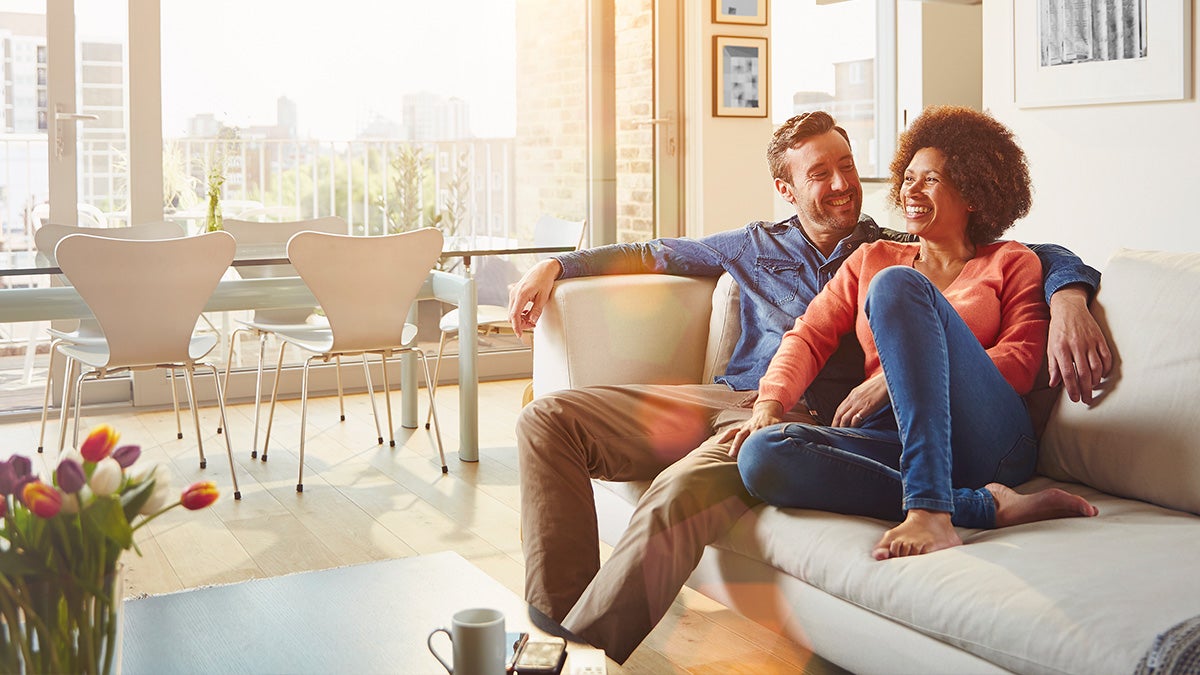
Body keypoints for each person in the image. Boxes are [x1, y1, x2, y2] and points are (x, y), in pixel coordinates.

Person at [508, 110, 1111, 663]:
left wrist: (1072, 293)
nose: (844, 183)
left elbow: (1040, 259)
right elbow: (669, 259)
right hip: (744, 398)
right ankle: (550, 635)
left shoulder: (922, 250)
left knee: (686, 484)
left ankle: (576, 658)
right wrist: (558, 264)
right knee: (546, 420)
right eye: (820, 173)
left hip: (827, 414)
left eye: (847, 165)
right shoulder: (801, 249)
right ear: (787, 190)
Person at [730, 106, 1099, 563]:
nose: (911, 190)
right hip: (899, 438)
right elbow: (808, 335)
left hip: (987, 439)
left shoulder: (1011, 262)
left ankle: (928, 510)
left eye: (931, 179)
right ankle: (981, 506)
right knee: (764, 455)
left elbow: (1022, 364)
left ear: (972, 195)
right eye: (907, 178)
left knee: (897, 286)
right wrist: (770, 403)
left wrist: (893, 379)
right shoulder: (872, 258)